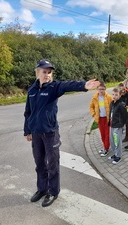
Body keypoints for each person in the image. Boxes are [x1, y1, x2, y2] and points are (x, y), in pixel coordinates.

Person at [24, 59, 99, 207]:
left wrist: (83, 85)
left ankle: (53, 192)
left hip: (50, 133)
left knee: (52, 164)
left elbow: (66, 85)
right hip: (36, 134)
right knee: (39, 164)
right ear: (37, 72)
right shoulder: (32, 90)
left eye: (49, 72)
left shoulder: (53, 87)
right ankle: (42, 189)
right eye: (44, 72)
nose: (47, 75)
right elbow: (28, 112)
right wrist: (27, 130)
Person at [89, 81, 113, 157]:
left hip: (107, 119)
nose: (101, 91)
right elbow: (91, 107)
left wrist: (112, 116)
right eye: (99, 89)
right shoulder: (95, 97)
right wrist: (93, 114)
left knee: (107, 134)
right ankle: (104, 147)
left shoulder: (109, 97)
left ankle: (106, 148)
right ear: (97, 89)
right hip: (99, 119)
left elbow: (112, 106)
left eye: (102, 89)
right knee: (102, 134)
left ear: (105, 89)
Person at [107, 87, 127, 164]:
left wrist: (122, 124)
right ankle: (115, 154)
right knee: (112, 141)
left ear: (119, 95)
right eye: (113, 94)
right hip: (112, 125)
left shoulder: (121, 104)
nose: (114, 96)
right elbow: (110, 113)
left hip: (118, 126)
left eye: (116, 95)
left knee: (117, 141)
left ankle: (118, 156)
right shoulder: (112, 103)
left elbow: (125, 116)